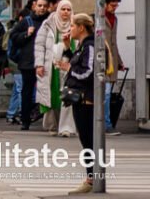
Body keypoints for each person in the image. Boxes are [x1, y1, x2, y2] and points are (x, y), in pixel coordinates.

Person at [60, 13, 95, 195]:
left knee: (88, 139)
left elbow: (87, 72)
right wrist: (67, 48)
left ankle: (92, 178)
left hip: (85, 99)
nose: (70, 28)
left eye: (73, 25)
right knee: (86, 139)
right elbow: (76, 62)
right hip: (80, 98)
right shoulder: (82, 46)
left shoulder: (89, 45)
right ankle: (92, 177)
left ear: (81, 27)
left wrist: (70, 69)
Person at [36, 0, 75, 136]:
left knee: (67, 95)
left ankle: (66, 127)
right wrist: (39, 64)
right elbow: (39, 45)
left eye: (68, 9)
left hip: (67, 65)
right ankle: (51, 125)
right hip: (50, 65)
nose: (65, 12)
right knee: (51, 95)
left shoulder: (74, 24)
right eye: (63, 9)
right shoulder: (48, 24)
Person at [10, 0, 48, 130]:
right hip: (28, 62)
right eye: (40, 5)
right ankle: (25, 119)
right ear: (34, 6)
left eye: (44, 6)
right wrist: (26, 34)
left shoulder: (49, 21)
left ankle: (47, 118)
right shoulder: (26, 21)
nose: (42, 8)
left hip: (45, 61)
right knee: (27, 91)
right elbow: (13, 37)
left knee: (46, 90)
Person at [104, 0, 124, 136]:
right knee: (105, 95)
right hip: (101, 62)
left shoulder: (114, 19)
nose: (114, 8)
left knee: (107, 94)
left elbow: (114, 42)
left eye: (116, 6)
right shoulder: (98, 19)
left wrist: (119, 61)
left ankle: (106, 122)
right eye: (112, 5)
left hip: (111, 61)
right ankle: (106, 124)